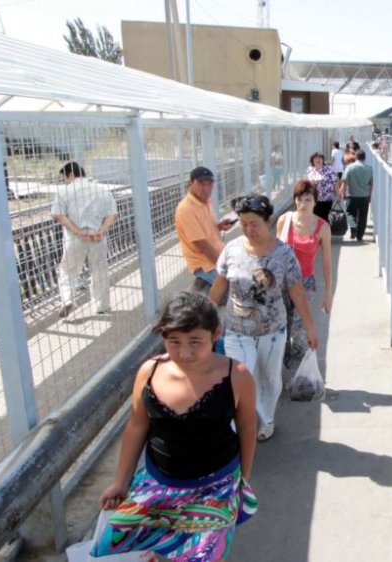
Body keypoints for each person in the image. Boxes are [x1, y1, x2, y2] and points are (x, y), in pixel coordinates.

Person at [94, 291, 258, 560]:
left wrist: (243, 479)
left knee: (202, 556)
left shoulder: (237, 376)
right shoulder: (149, 371)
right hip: (157, 483)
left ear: (216, 333)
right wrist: (120, 482)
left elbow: (247, 427)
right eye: (174, 341)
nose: (184, 352)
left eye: (195, 341)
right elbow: (137, 426)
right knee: (118, 544)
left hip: (216, 489)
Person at [209, 194, 318, 441]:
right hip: (237, 331)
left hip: (272, 332)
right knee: (239, 378)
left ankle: (266, 419)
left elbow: (297, 292)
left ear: (268, 221)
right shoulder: (232, 250)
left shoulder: (283, 254)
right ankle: (235, 429)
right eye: (243, 224)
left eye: (254, 224)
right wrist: (204, 319)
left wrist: (310, 329)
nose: (249, 229)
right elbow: (218, 287)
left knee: (270, 380)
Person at [276, 180, 333, 368]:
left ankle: (298, 371)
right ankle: (279, 364)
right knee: (280, 324)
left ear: (315, 201)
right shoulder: (284, 221)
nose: (303, 204)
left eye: (308, 199)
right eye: (299, 199)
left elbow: (326, 263)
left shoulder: (322, 227)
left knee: (299, 328)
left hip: (305, 283)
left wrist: (328, 293)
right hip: (282, 283)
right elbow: (274, 252)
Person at [51, 161, 118, 318]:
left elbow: (58, 215)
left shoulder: (64, 191)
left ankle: (67, 299)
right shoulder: (101, 189)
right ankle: (102, 306)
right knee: (99, 269)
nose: (65, 181)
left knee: (68, 269)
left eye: (65, 178)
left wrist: (77, 231)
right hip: (97, 236)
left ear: (71, 175)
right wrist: (102, 231)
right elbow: (112, 214)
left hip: (74, 238)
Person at [175, 166, 236, 292]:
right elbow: (202, 245)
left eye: (209, 184)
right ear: (190, 184)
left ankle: (204, 288)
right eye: (201, 184)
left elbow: (204, 228)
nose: (206, 189)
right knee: (238, 288)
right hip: (206, 264)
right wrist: (224, 265)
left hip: (216, 257)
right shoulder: (186, 209)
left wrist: (218, 226)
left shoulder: (205, 201)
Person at [338, 149, 373, 242]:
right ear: (364, 158)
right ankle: (360, 236)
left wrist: (343, 194)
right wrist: (370, 195)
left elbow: (344, 181)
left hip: (352, 195)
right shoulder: (369, 168)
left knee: (350, 214)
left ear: (356, 157)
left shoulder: (350, 167)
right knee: (363, 217)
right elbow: (371, 184)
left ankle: (353, 229)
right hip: (365, 196)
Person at [304, 152, 336, 223]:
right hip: (314, 199)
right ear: (312, 160)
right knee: (315, 217)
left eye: (320, 158)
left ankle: (325, 229)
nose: (318, 159)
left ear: (323, 160)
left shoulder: (329, 169)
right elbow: (306, 183)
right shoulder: (310, 170)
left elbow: (335, 182)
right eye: (316, 158)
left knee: (324, 217)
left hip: (327, 199)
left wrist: (338, 194)